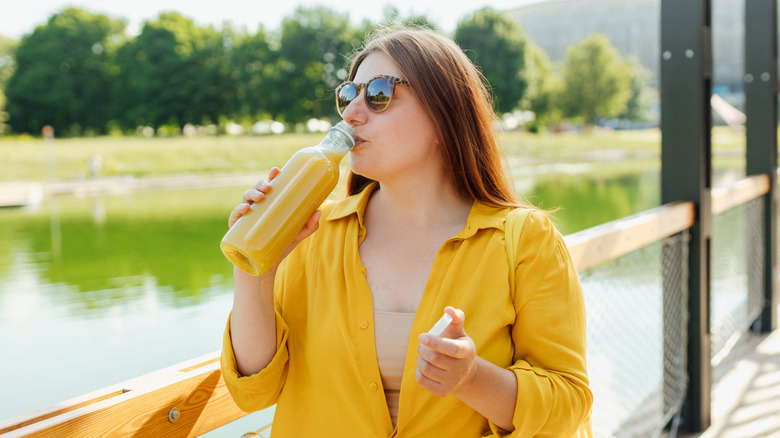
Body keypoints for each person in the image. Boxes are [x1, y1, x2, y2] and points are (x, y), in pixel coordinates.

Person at [221, 24, 592, 437]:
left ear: (443, 113)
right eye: (348, 94)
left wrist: (471, 377)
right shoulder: (310, 229)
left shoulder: (524, 240)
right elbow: (254, 392)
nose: (351, 112)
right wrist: (256, 269)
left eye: (379, 94)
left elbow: (568, 403)